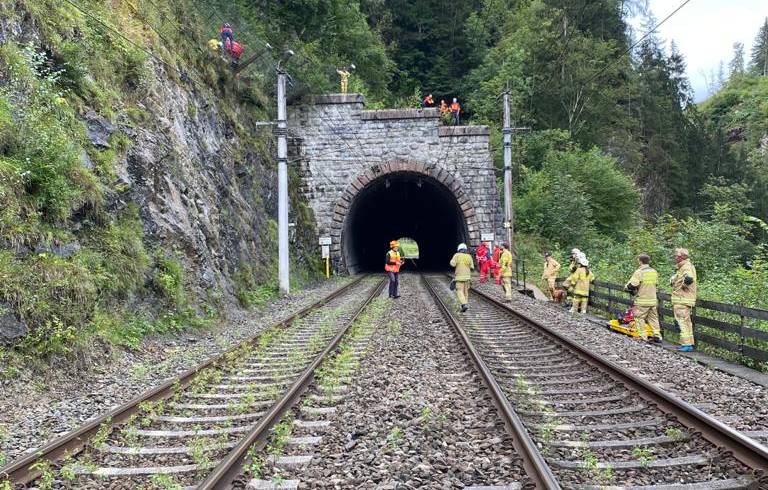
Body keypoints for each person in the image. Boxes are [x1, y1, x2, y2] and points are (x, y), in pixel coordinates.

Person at [625, 253, 661, 343]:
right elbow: (655, 284)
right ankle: (657, 335)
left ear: (640, 261)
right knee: (653, 318)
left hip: (642, 300)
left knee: (639, 317)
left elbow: (633, 285)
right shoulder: (654, 271)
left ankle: (642, 336)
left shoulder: (639, 272)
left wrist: (626, 287)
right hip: (653, 300)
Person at [670, 248, 697, 351]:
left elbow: (689, 279)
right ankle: (688, 344)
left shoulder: (686, 267)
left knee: (681, 322)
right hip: (684, 299)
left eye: (676, 256)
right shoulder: (684, 267)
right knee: (686, 322)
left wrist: (683, 286)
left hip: (682, 299)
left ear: (681, 257)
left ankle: (686, 345)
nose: (675, 257)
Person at [450, 243, 474, 312]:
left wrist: (452, 261)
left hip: (459, 277)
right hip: (467, 277)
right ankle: (465, 305)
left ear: (459, 249)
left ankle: (464, 304)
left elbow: (452, 264)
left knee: (459, 291)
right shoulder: (469, 256)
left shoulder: (457, 255)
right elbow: (472, 267)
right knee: (466, 292)